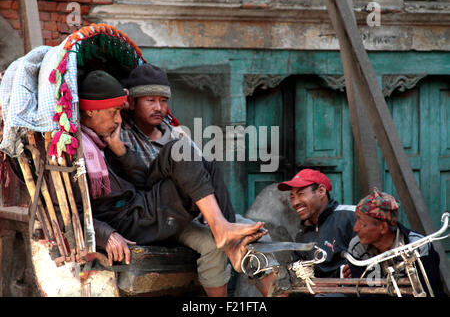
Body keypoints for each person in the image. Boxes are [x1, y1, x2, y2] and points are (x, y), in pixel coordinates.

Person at [76, 70, 267, 292]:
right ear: (90, 112)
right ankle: (224, 233)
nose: (118, 119)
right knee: (182, 152)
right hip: (126, 222)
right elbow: (71, 213)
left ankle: (224, 231)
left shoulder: (105, 138)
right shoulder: (78, 150)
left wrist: (120, 151)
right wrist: (106, 234)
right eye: (113, 112)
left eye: (120, 111)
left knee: (198, 158)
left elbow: (140, 181)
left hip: (142, 204)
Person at [228, 169, 357, 296]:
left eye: (301, 194)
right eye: (292, 197)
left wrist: (354, 270)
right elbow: (296, 277)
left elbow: (370, 257)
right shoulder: (302, 236)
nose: (295, 203)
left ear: (321, 191)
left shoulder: (350, 216)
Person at [342, 187, 445, 297]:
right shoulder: (357, 246)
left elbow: (428, 290)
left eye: (361, 223)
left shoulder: (418, 246)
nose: (355, 228)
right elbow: (362, 292)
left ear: (383, 228)